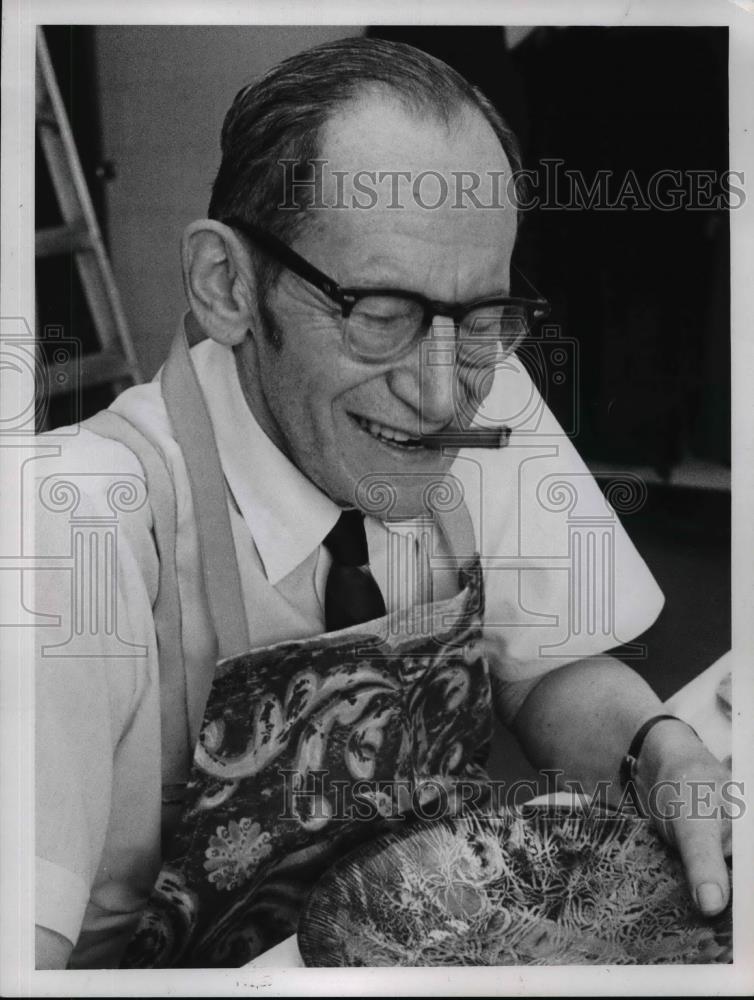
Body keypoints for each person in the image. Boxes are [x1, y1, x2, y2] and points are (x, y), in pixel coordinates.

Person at [34, 36, 731, 969]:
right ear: (228, 285)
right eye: (379, 316)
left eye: (480, 316)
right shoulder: (70, 524)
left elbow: (545, 670)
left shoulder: (486, 389)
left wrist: (659, 747)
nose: (444, 400)